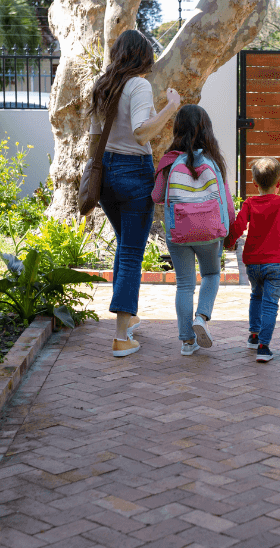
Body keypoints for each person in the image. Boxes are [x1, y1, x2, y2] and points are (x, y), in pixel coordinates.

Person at [90, 29, 182, 358]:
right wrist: (171, 106)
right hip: (133, 172)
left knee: (125, 247)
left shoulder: (103, 85)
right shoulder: (138, 85)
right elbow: (142, 133)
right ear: (143, 56)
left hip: (106, 173)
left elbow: (94, 137)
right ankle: (120, 336)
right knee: (131, 253)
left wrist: (94, 174)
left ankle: (128, 318)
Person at [151, 104, 235, 356]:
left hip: (178, 232)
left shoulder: (169, 162)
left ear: (177, 129)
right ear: (207, 130)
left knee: (185, 285)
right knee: (211, 274)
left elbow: (156, 196)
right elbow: (227, 203)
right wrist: (230, 230)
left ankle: (187, 341)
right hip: (209, 232)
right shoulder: (214, 161)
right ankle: (201, 317)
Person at [224, 157, 280, 362]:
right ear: (279, 183)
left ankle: (254, 335)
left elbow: (239, 226)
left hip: (253, 263)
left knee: (256, 295)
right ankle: (264, 347)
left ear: (255, 183)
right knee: (270, 303)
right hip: (276, 263)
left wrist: (228, 241)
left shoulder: (249, 203)